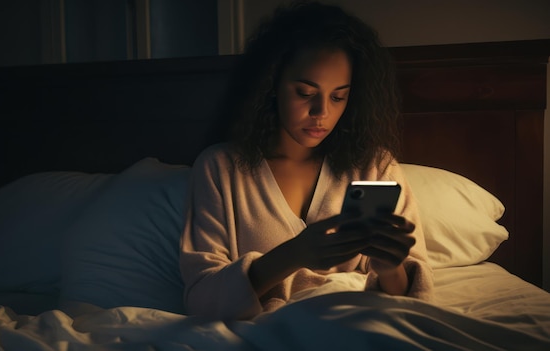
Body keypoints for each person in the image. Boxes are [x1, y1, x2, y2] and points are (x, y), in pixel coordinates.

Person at [179, 0, 433, 320]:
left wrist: (390, 268)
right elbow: (202, 296)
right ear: (272, 86)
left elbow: (414, 300)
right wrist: (294, 254)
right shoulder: (222, 168)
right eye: (304, 92)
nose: (322, 113)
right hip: (272, 327)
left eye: (338, 96)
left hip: (361, 323)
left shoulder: (376, 167)